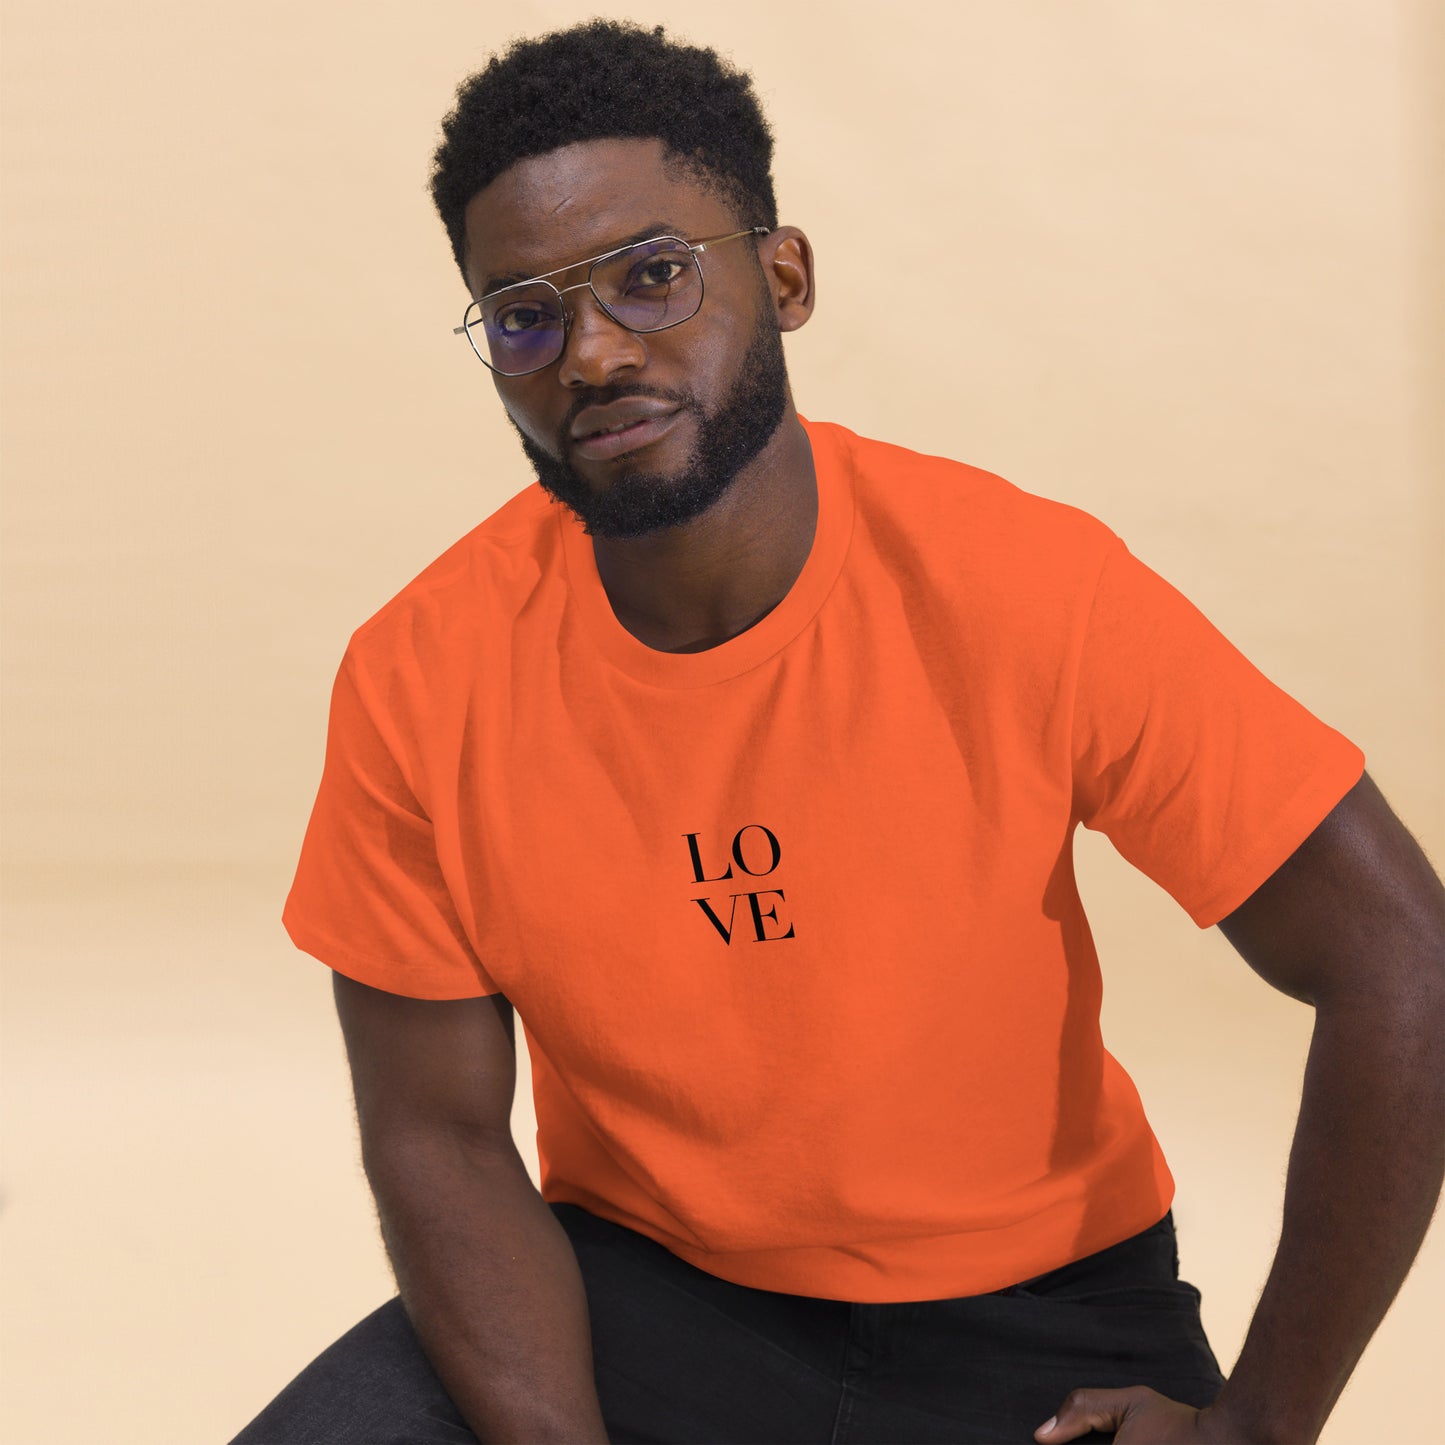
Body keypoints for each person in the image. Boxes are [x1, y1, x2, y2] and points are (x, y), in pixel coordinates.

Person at [232, 20, 1445, 1445]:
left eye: (653, 275)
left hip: (1037, 1322)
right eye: (523, 316)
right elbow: (433, 1129)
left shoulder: (1023, 586)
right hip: (643, 1297)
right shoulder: (417, 672)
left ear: (784, 276)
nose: (594, 352)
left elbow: (1400, 959)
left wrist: (1259, 1423)